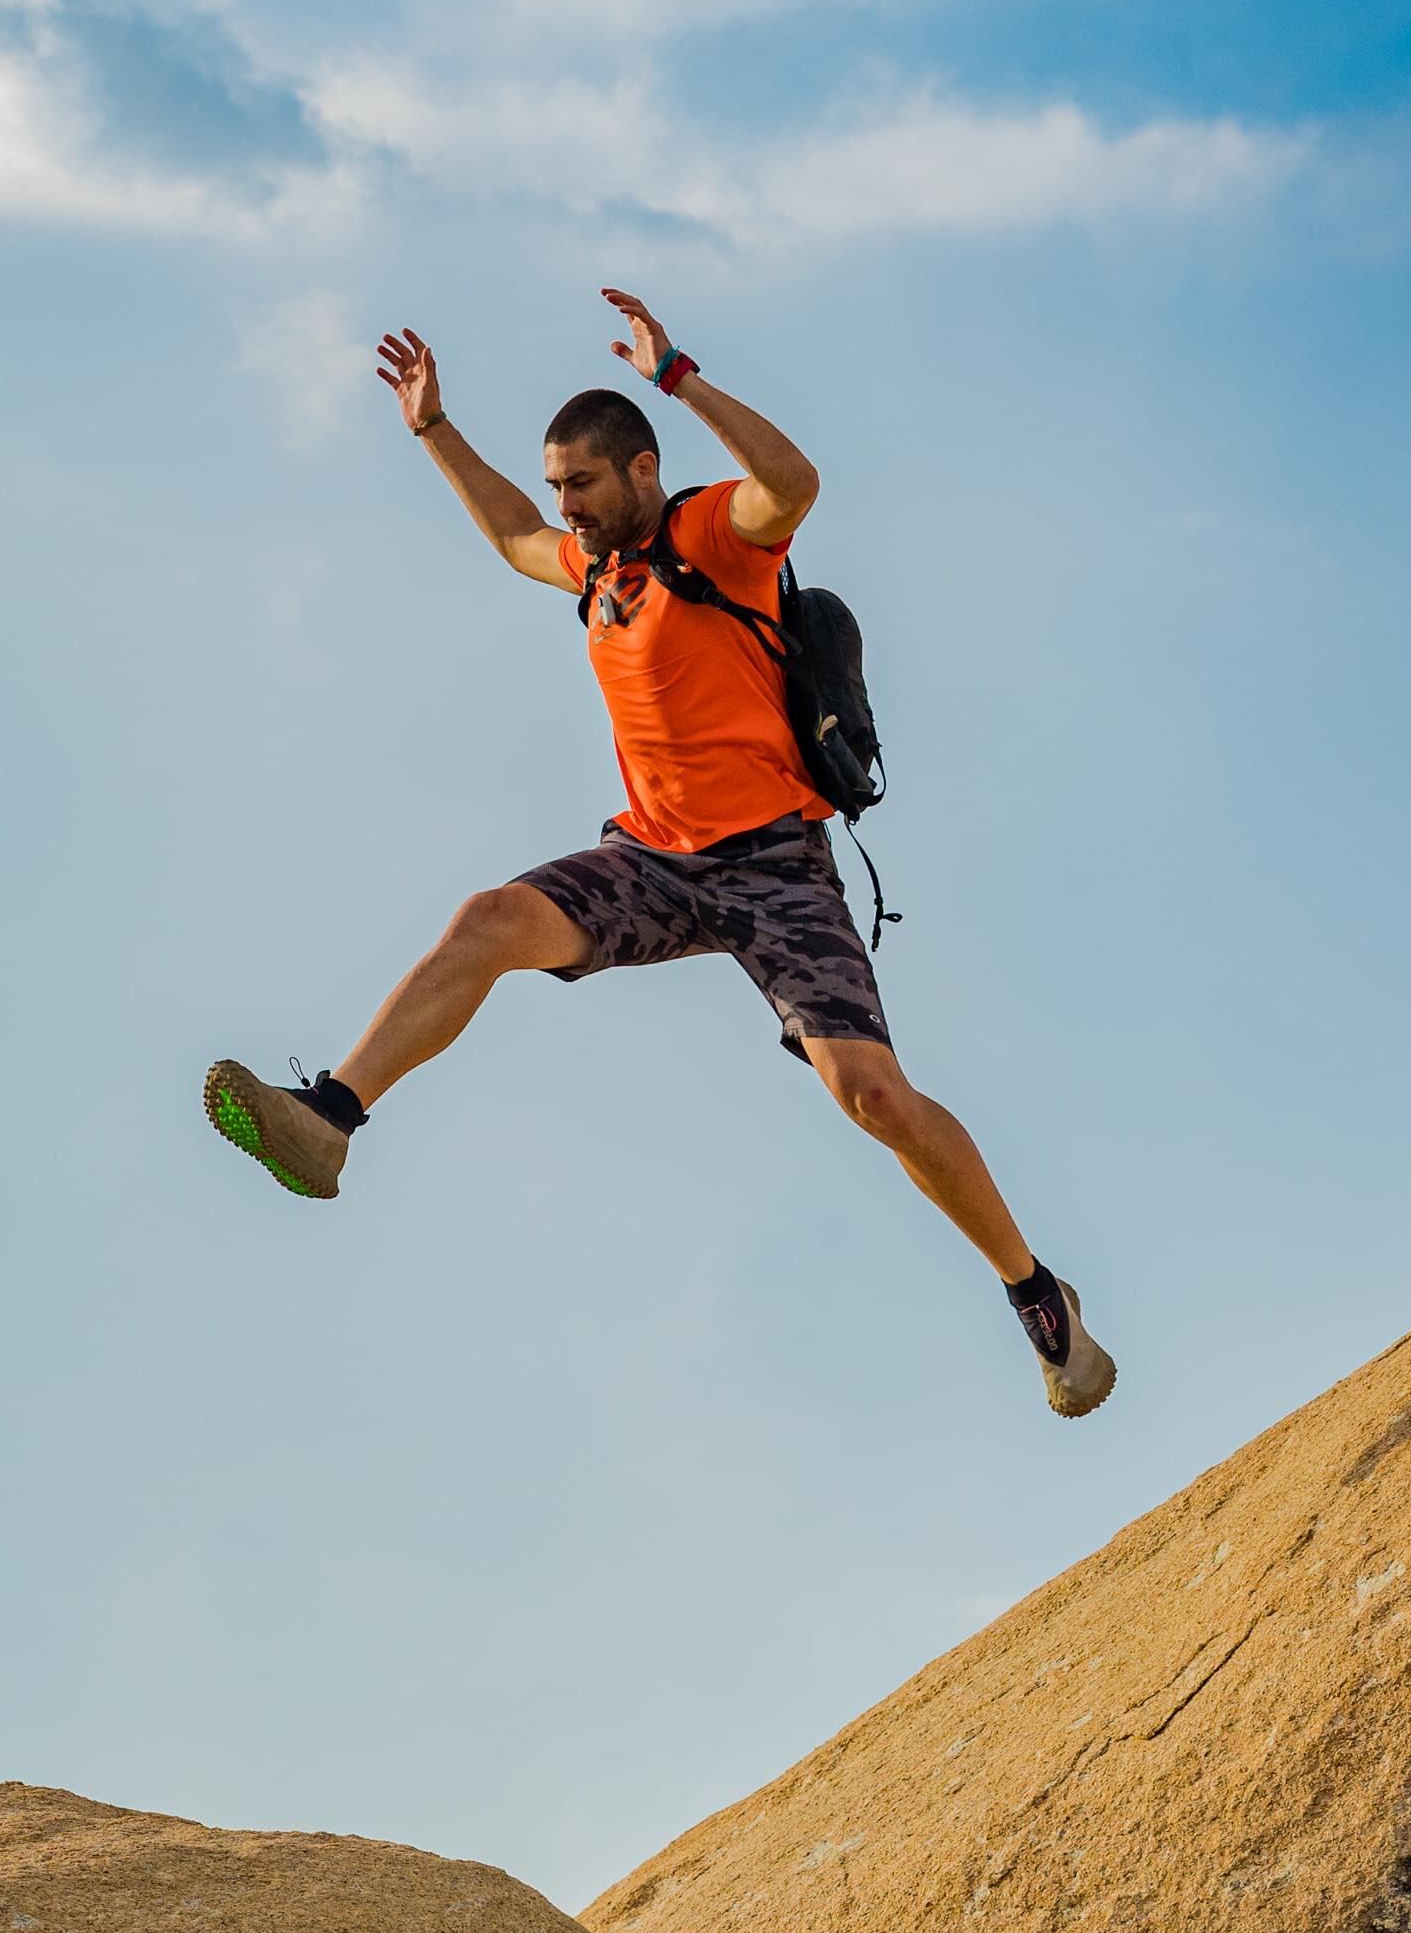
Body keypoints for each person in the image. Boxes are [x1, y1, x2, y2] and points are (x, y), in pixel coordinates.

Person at [204, 286, 1115, 1416]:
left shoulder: (710, 538)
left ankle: (1035, 1294)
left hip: (777, 865)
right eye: (559, 488)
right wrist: (434, 428)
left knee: (872, 1096)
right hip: (651, 860)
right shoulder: (597, 574)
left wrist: (678, 379)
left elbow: (798, 485)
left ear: (640, 471)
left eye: (582, 483)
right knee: (490, 919)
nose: (566, 507)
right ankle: (331, 1122)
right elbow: (505, 534)